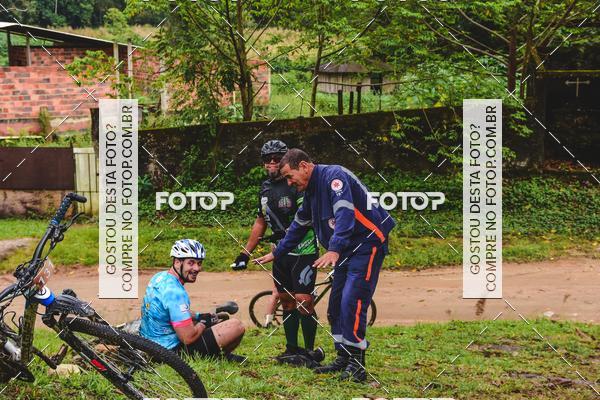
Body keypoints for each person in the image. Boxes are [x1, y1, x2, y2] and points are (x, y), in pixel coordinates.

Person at [255, 149, 395, 382]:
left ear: (304, 166)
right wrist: (277, 253)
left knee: (352, 300)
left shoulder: (334, 176)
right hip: (345, 249)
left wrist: (334, 248)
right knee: (335, 305)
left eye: (289, 176)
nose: (289, 183)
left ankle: (357, 364)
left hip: (367, 242)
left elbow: (344, 213)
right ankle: (343, 357)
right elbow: (298, 226)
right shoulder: (310, 192)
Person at [231, 140, 323, 367]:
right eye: (267, 159)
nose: (271, 162)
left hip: (303, 250)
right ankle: (292, 350)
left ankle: (310, 352)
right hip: (279, 254)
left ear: (285, 160)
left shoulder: (296, 183)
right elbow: (260, 221)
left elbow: (306, 218)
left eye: (277, 158)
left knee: (304, 300)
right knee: (286, 300)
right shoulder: (265, 188)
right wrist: (244, 253)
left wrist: (286, 235)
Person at [140, 239, 246, 362]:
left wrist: (198, 316)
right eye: (191, 263)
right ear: (177, 262)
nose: (197, 268)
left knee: (219, 321)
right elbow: (187, 338)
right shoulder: (175, 292)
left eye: (199, 263)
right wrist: (203, 323)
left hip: (149, 345)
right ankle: (218, 357)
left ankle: (218, 355)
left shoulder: (159, 277)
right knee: (236, 326)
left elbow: (173, 311)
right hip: (169, 353)